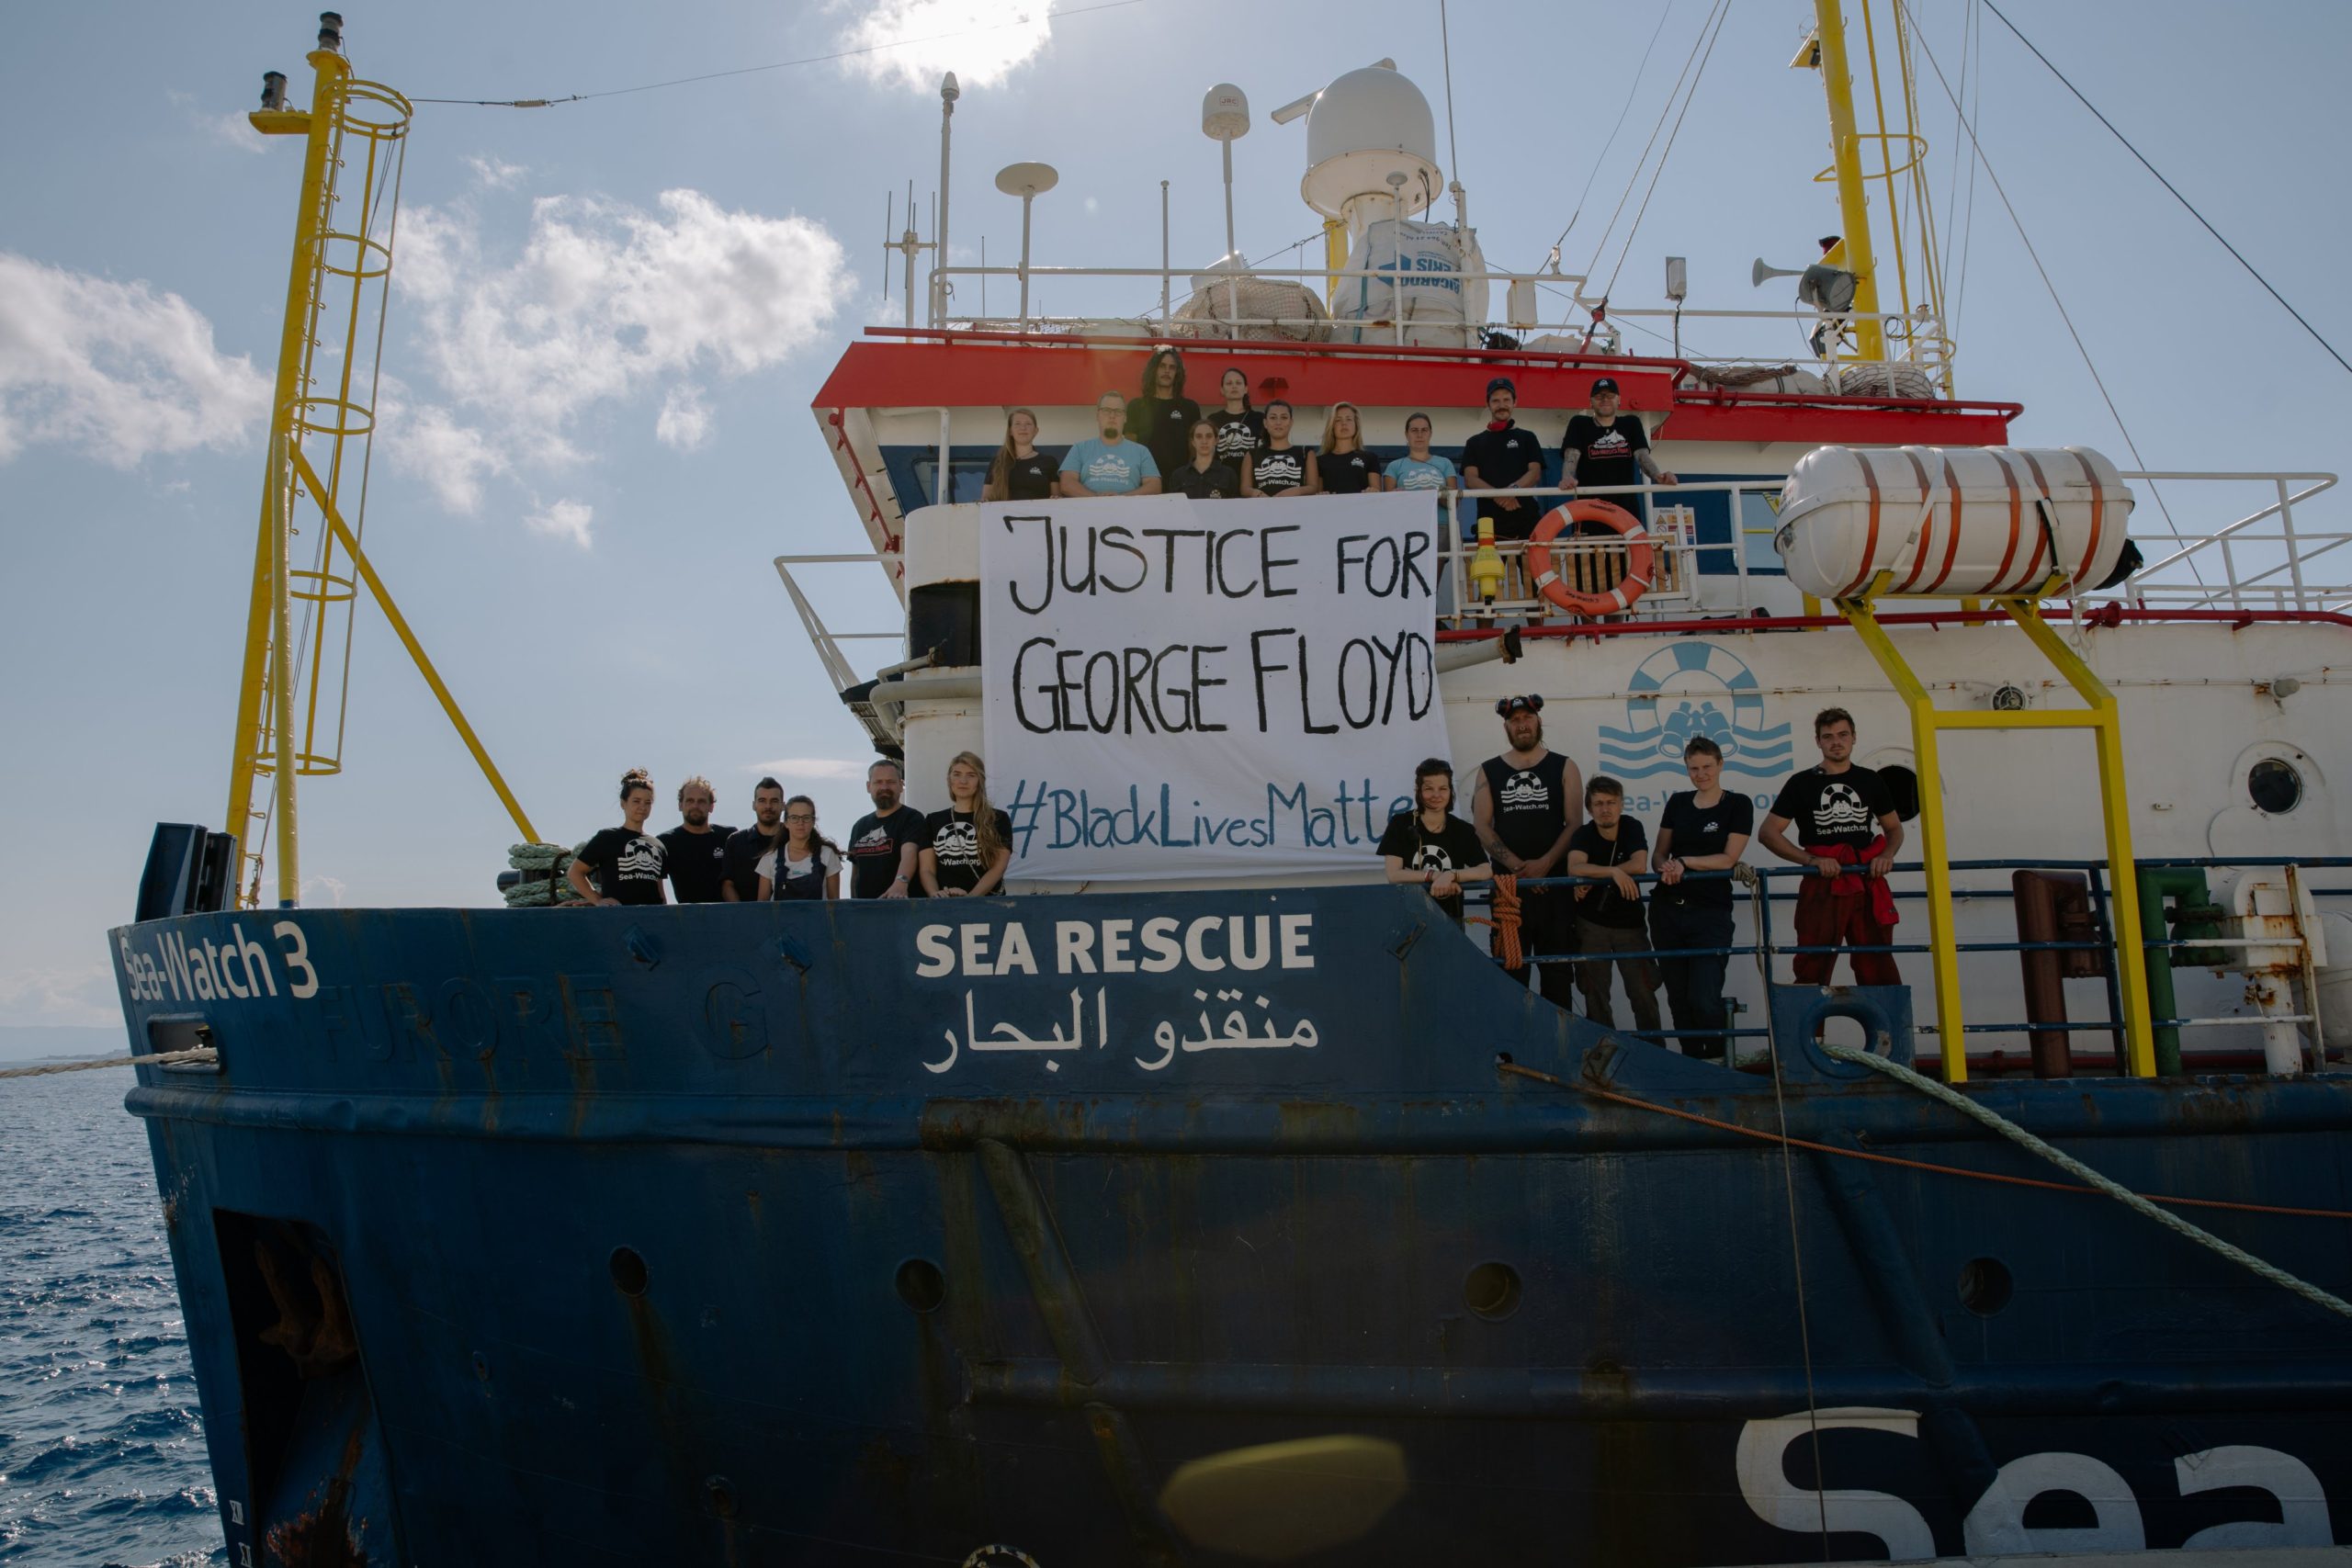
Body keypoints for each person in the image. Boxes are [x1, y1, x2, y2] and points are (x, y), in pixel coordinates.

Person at [1759, 707, 1905, 986]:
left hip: (1866, 880)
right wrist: (1811, 860)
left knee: (1878, 965)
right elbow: (1768, 832)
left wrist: (1886, 855)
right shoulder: (1801, 783)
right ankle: (1811, 1031)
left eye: (1842, 735)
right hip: (1822, 885)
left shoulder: (1871, 780)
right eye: (1828, 736)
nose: (1836, 742)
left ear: (1854, 738)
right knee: (1811, 966)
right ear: (1818, 741)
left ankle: (1885, 1031)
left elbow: (1894, 828)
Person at [1471, 694, 1580, 1008]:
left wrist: (1546, 863)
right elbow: (1482, 826)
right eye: (1515, 720)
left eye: (1527, 718)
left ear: (1538, 720)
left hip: (1555, 888)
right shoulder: (1488, 770)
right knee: (1510, 976)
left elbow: (1574, 824)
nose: (1522, 725)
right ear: (1506, 726)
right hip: (1509, 891)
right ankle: (1511, 1055)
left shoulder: (1565, 766)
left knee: (1557, 977)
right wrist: (1520, 868)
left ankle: (1557, 1055)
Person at [1651, 737, 1754, 1059]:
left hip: (1710, 912)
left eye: (1707, 766)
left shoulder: (1738, 804)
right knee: (1678, 998)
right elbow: (1658, 854)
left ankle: (1721, 1059)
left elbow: (1728, 859)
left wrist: (1685, 862)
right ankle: (1693, 1063)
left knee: (1704, 997)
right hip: (1667, 911)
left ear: (1720, 764)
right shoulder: (1678, 803)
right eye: (1694, 768)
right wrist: (1666, 866)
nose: (1701, 774)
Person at [1567, 775, 1662, 1035]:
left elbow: (1639, 864)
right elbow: (1574, 867)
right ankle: (1603, 1058)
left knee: (1643, 992)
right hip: (1591, 925)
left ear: (1621, 804)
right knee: (1595, 996)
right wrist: (1614, 873)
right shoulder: (1583, 834)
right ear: (1589, 808)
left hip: (1630, 925)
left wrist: (1602, 874)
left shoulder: (1631, 826)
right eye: (1598, 804)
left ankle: (1654, 1054)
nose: (1605, 809)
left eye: (1611, 802)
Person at [1378, 758, 1492, 927]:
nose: (1436, 795)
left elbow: (1485, 870)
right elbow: (1393, 875)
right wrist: (1434, 875)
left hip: (1451, 917)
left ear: (1450, 791)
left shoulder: (1462, 830)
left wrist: (1451, 875)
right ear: (1418, 790)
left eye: (1443, 789)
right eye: (1429, 789)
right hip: (1410, 917)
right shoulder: (1400, 824)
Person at [1561, 376, 1676, 508]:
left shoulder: (1631, 423)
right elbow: (1571, 456)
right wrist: (1567, 478)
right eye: (1599, 396)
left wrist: (1658, 476)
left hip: (1626, 509)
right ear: (1590, 401)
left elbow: (1642, 456)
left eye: (1610, 396)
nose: (1604, 399)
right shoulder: (1579, 423)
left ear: (1619, 399)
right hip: (1589, 508)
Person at [1387, 412, 1463, 605]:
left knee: (1428, 584)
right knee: (1408, 581)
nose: (1419, 435)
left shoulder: (1444, 463)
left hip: (1440, 525)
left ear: (1430, 434)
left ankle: (1430, 626)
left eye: (1424, 430)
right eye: (1414, 430)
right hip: (1406, 528)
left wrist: (1436, 493)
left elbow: (1454, 500)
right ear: (1406, 435)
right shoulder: (1395, 466)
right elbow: (1387, 503)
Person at [1459, 377, 1546, 538]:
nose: (1501, 405)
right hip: (1488, 522)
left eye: (1506, 399)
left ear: (1515, 402)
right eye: (1496, 400)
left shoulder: (1528, 437)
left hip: (1527, 519)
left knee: (1533, 564)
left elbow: (1535, 473)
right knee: (1488, 565)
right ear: (1488, 404)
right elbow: (1470, 479)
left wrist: (1511, 491)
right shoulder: (1474, 442)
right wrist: (1500, 495)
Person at [568, 768, 667, 907]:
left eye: (647, 802)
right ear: (623, 803)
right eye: (636, 801)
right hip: (617, 919)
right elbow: (575, 872)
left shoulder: (658, 845)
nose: (642, 807)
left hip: (651, 919)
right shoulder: (607, 838)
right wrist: (597, 900)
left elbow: (660, 892)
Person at [921, 750, 1013, 897]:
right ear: (949, 779)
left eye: (971, 775)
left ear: (980, 780)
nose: (963, 781)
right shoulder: (933, 820)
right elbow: (927, 869)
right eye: (957, 774)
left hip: (987, 904)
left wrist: (970, 899)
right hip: (943, 905)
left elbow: (998, 867)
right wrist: (936, 894)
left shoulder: (998, 818)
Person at [845, 758, 925, 899]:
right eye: (878, 782)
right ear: (868, 786)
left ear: (901, 785)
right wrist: (853, 906)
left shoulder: (912, 818)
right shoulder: (859, 826)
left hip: (901, 907)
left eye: (890, 782)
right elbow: (856, 874)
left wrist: (900, 883)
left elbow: (910, 852)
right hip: (865, 911)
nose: (884, 787)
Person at [1059, 392, 1162, 498]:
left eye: (1118, 412)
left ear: (1125, 418)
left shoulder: (1141, 451)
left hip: (1129, 511)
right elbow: (1067, 484)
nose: (1112, 416)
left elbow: (1154, 486)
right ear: (1097, 415)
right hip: (1088, 511)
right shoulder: (1079, 448)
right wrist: (1097, 498)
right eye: (1106, 410)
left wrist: (1121, 498)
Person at [1125, 346, 1203, 477]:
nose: (1167, 371)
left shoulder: (1190, 407)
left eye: (1172, 367)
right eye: (1162, 366)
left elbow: (1195, 450)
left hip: (1181, 482)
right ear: (1153, 370)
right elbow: (1131, 449)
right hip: (1146, 481)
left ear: (1178, 373)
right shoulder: (1136, 406)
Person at [657, 775, 735, 904]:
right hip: (685, 919)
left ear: (711, 807)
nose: (695, 805)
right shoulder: (666, 842)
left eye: (701, 801)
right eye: (690, 800)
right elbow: (657, 890)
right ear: (680, 805)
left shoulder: (728, 836)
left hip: (725, 918)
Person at [757, 795, 842, 901]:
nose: (800, 823)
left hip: (818, 918)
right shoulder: (769, 859)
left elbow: (834, 905)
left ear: (813, 822)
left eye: (806, 818)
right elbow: (761, 908)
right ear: (786, 823)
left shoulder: (827, 854)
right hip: (781, 918)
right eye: (794, 818)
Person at [721, 778, 785, 903]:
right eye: (762, 801)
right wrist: (742, 913)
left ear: (783, 806)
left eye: (774, 801)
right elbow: (727, 884)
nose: (768, 806)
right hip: (744, 918)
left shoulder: (794, 839)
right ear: (754, 805)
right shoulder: (736, 841)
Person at [1241, 400, 1319, 498]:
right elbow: (1244, 489)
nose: (1278, 422)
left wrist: (1295, 491)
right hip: (1263, 510)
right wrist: (1258, 494)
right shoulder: (1252, 454)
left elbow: (1313, 487)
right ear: (1265, 423)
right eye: (1273, 418)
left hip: (1296, 510)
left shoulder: (1306, 452)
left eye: (1284, 417)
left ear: (1291, 422)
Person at [981, 408, 1057, 502]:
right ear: (1010, 431)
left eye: (1028, 424)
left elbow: (1056, 499)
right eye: (1017, 424)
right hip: (1005, 516)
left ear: (1036, 431)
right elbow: (986, 500)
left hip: (1040, 516)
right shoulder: (998, 462)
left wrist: (1057, 498)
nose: (1023, 428)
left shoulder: (1049, 461)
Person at [1204, 367, 1265, 474]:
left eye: (1238, 383)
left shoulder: (1259, 418)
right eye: (1229, 383)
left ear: (1246, 389)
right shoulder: (1213, 419)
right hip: (1221, 478)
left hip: (1251, 478)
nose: (1234, 386)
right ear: (1222, 390)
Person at [1317, 401, 1387, 496]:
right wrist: (1321, 495)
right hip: (1332, 509)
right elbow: (1317, 495)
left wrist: (1372, 491)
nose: (1344, 423)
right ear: (1332, 426)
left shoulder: (1370, 457)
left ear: (1356, 425)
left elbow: (1376, 492)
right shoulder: (1320, 461)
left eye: (1349, 419)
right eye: (1338, 420)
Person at [1166, 418, 1241, 500]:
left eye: (1209, 436)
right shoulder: (1178, 476)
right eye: (1199, 436)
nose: (1204, 441)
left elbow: (1234, 509)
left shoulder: (1228, 474)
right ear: (1193, 442)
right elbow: (1174, 508)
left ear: (1216, 440)